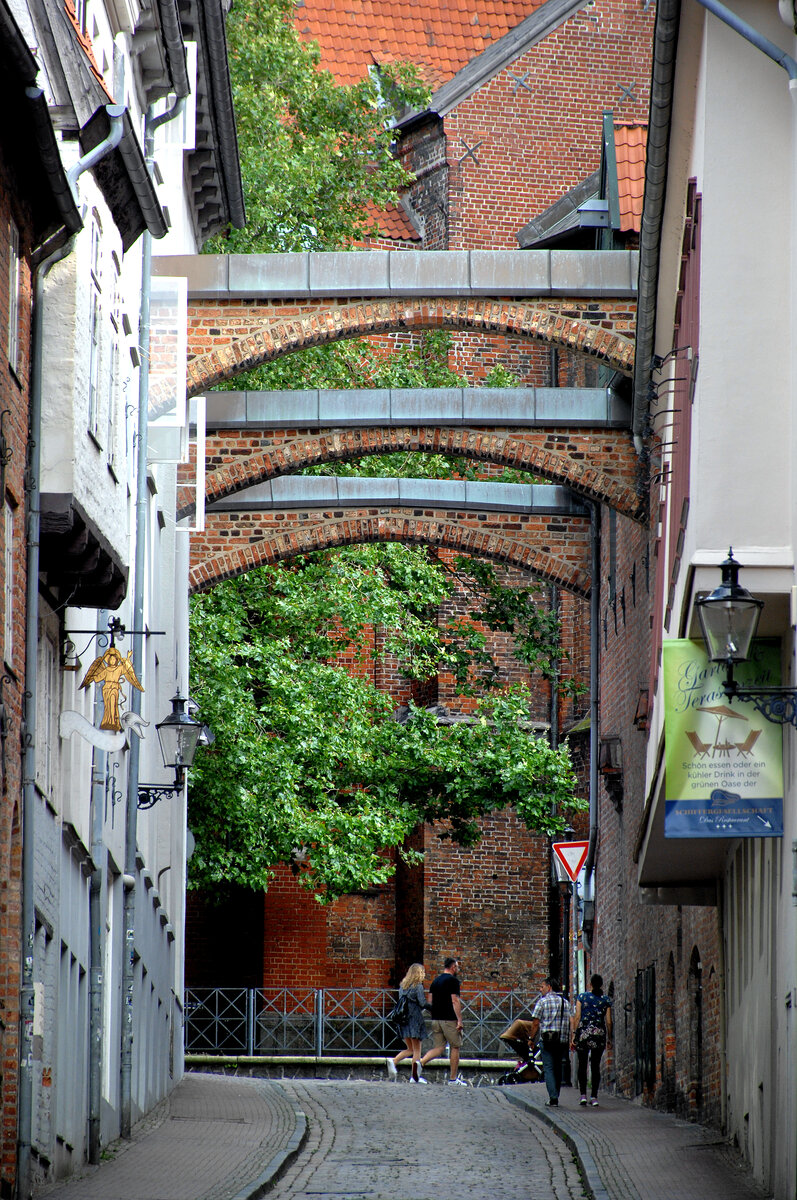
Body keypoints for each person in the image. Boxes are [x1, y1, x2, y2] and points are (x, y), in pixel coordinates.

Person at [419, 956, 467, 1085]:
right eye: (457, 966)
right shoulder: (453, 981)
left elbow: (429, 1002)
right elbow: (455, 1001)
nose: (458, 969)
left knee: (439, 1048)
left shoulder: (435, 981)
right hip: (449, 1019)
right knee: (455, 1047)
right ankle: (452, 1079)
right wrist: (459, 1020)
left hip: (436, 1019)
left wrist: (435, 1013)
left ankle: (419, 1064)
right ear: (453, 967)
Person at [570, 973, 612, 1107]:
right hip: (599, 1035)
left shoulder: (582, 997)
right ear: (601, 985)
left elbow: (577, 1017)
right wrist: (609, 1037)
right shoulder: (606, 1000)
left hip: (583, 1034)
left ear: (590, 984)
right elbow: (609, 1022)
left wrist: (574, 1035)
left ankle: (583, 1095)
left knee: (582, 1065)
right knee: (595, 1066)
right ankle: (594, 1096)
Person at [529, 976, 571, 1106]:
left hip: (547, 1040)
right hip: (561, 1039)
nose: (540, 989)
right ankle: (555, 1094)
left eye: (542, 987)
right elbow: (571, 1019)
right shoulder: (565, 1002)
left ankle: (553, 1097)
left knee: (548, 1067)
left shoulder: (542, 1002)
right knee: (558, 1067)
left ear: (549, 987)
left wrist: (531, 1039)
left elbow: (535, 1022)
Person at [386, 963, 430, 1083]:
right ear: (419, 973)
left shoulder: (403, 986)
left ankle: (394, 1061)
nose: (424, 974)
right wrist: (433, 1008)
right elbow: (422, 1003)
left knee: (410, 1049)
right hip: (414, 1020)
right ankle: (414, 1077)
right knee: (417, 1050)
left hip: (404, 1020)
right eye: (423, 972)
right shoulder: (418, 986)